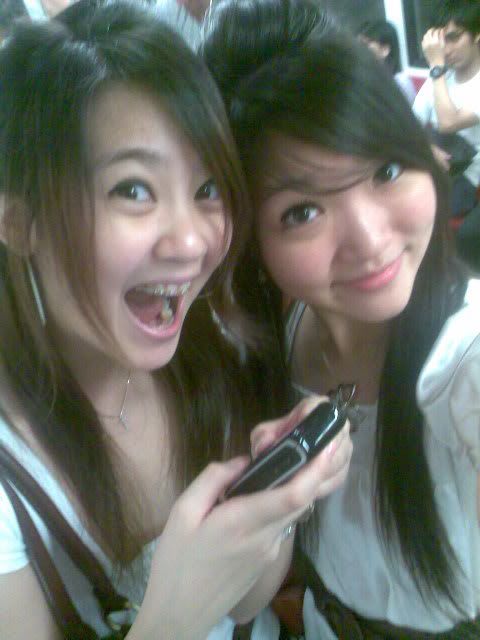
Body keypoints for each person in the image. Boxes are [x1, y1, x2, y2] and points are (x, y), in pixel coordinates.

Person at [0, 1, 353, 638]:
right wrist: (173, 617)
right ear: (19, 221)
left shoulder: (211, 349)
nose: (192, 242)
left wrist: (276, 507)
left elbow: (247, 604)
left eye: (207, 189)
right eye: (133, 189)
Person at [202, 0, 480, 637]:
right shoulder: (274, 340)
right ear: (251, 240)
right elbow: (246, 600)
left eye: (386, 170)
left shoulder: (465, 362)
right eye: (302, 211)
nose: (370, 240)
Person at [413, 0, 480, 218]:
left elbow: (448, 122)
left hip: (467, 175)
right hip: (433, 161)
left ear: (476, 34)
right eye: (441, 42)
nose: (446, 50)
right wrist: (427, 147)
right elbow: (409, 121)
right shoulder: (441, 77)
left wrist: (436, 66)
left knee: (423, 214)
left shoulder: (439, 73)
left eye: (454, 38)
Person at [357, 19, 417, 105]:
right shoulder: (361, 78)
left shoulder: (400, 83)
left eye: (365, 45)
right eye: (357, 45)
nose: (359, 50)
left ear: (384, 49)